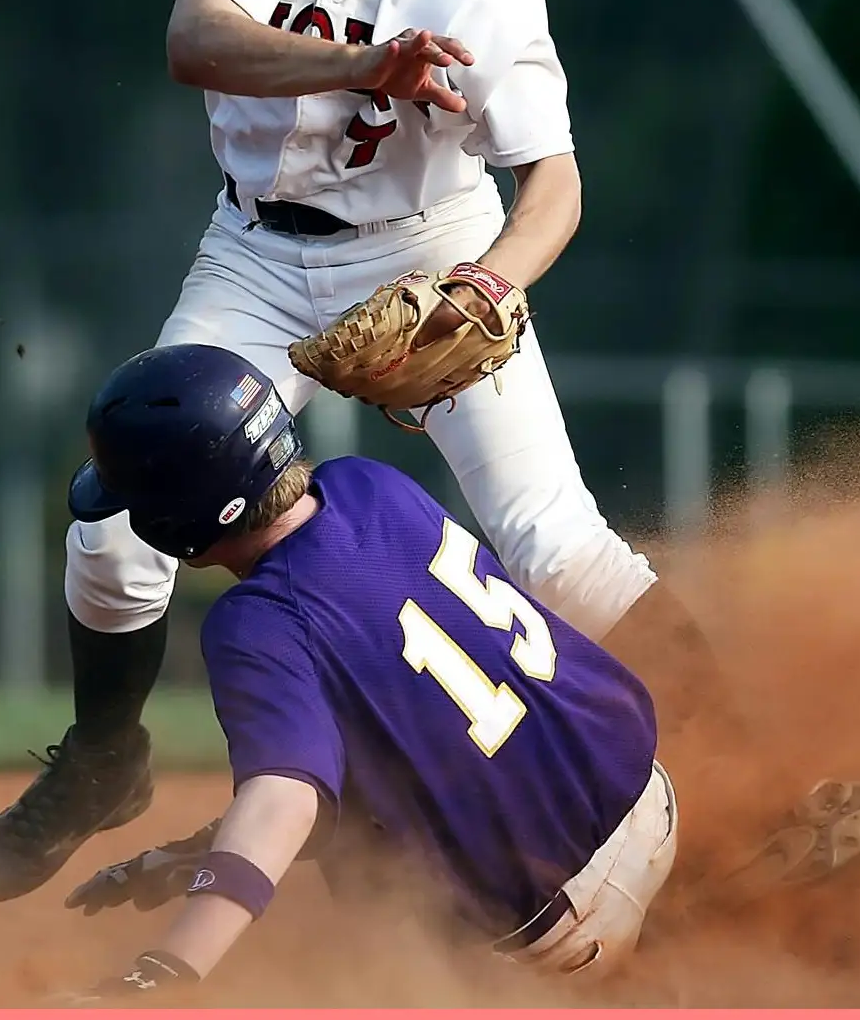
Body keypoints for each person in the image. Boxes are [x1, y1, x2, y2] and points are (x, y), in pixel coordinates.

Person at [0, 0, 860, 907]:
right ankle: (103, 756)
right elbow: (195, 42)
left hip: (421, 246)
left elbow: (551, 184)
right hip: (250, 251)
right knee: (121, 514)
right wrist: (375, 66)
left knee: (555, 545)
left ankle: (773, 789)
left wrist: (488, 288)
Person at [52, 344, 681, 994]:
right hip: (653, 800)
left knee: (369, 900)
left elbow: (285, 799)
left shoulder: (256, 620)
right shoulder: (368, 484)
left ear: (174, 519)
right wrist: (191, 856)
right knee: (365, 765)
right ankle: (699, 913)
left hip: (561, 926)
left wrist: (166, 971)